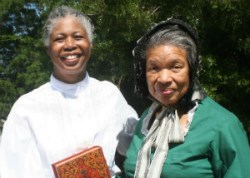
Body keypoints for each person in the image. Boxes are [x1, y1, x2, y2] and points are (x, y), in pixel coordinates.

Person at [0, 6, 138, 178]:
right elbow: (11, 170)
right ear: (48, 50)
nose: (70, 45)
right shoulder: (26, 108)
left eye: (78, 37)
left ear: (90, 45)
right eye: (59, 39)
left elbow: (135, 143)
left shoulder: (109, 94)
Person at [123, 18, 250, 178]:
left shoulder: (222, 126)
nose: (163, 78)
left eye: (175, 67)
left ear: (192, 70)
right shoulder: (148, 119)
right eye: (154, 68)